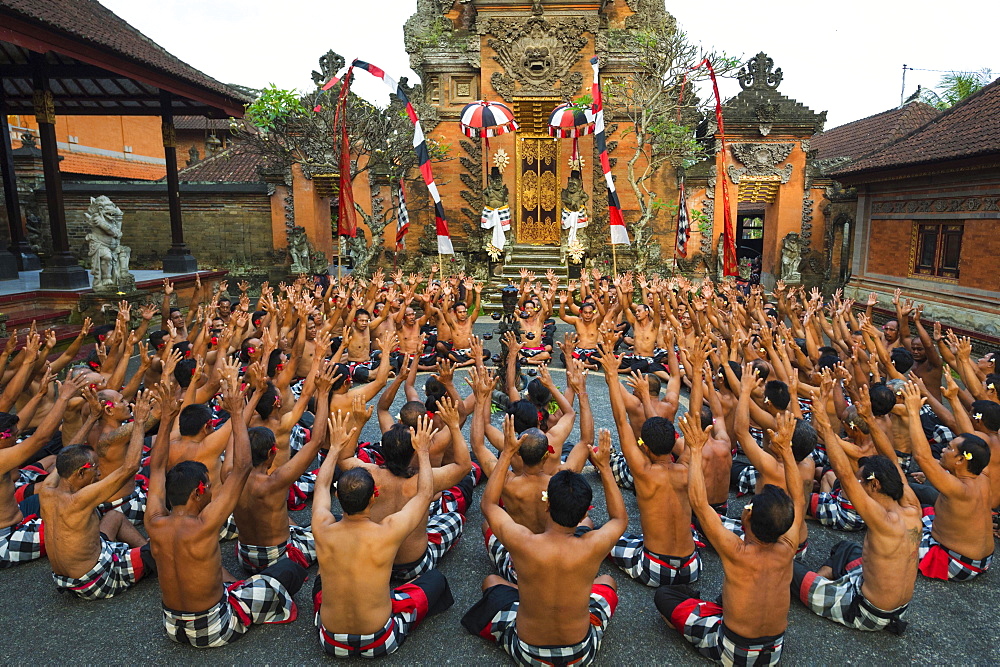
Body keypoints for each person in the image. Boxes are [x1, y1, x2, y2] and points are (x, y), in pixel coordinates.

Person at [146, 374, 306, 647]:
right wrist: (234, 414)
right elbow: (242, 468)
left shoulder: (153, 521)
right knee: (290, 570)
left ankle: (233, 589)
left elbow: (157, 467)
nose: (212, 490)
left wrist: (166, 420)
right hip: (213, 628)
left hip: (172, 627)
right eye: (208, 486)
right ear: (198, 492)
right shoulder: (206, 523)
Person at [462, 421, 627, 666]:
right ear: (583, 514)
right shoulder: (595, 544)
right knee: (607, 581)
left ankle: (529, 594)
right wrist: (603, 467)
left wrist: (507, 453)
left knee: (492, 582)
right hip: (580, 654)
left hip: (528, 652)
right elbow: (619, 518)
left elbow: (489, 505)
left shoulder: (522, 541)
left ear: (547, 505)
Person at [659, 412, 803, 665]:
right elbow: (798, 498)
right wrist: (787, 452)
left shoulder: (736, 551)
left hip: (733, 649)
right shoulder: (788, 546)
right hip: (773, 651)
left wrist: (694, 450)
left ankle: (705, 615)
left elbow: (700, 505)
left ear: (747, 518)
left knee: (665, 597)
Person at [311, 414, 454, 657]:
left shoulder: (322, 525)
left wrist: (334, 448)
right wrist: (421, 452)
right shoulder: (389, 530)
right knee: (436, 581)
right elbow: (424, 494)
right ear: (373, 497)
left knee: (319, 578)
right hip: (380, 641)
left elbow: (322, 485)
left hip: (330, 642)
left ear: (338, 498)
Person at [794, 388, 921, 634]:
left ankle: (820, 584)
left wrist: (823, 422)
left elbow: (844, 475)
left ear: (875, 484)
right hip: (895, 607)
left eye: (863, 481)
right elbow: (892, 459)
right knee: (847, 548)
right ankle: (825, 580)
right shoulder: (911, 505)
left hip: (866, 611)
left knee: (785, 570)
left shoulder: (883, 520)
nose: (858, 484)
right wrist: (871, 420)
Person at [38, 390, 156, 599]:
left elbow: (68, 453)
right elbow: (129, 468)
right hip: (94, 580)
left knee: (114, 516)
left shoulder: (47, 490)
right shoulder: (80, 499)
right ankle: (151, 556)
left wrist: (92, 417)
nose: (99, 472)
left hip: (67, 579)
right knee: (166, 551)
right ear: (81, 472)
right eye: (94, 468)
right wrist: (139, 423)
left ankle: (144, 550)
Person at [598, 347, 700, 587]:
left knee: (597, 537)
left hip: (655, 567)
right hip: (692, 567)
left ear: (645, 447)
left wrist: (612, 376)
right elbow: (694, 415)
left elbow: (621, 422)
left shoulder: (642, 471)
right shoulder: (687, 464)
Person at [233, 361, 335, 573]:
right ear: (272, 452)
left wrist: (245, 403)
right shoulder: (275, 481)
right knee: (334, 526)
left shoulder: (229, 475)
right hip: (277, 558)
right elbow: (316, 442)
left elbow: (238, 429)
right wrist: (323, 394)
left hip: (244, 557)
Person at [901, 382, 994, 581]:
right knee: (917, 509)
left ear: (961, 460)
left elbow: (922, 457)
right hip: (980, 559)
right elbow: (969, 433)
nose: (944, 449)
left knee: (890, 538)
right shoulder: (982, 473)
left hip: (958, 561)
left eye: (950, 449)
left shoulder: (960, 488)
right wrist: (952, 399)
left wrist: (913, 412)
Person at [0, 375, 86, 567]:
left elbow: (19, 426)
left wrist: (40, 394)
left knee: (62, 494)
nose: (18, 437)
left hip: (18, 513)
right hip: (6, 541)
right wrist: (63, 398)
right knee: (79, 520)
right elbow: (41, 438)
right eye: (14, 436)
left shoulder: (3, 445)